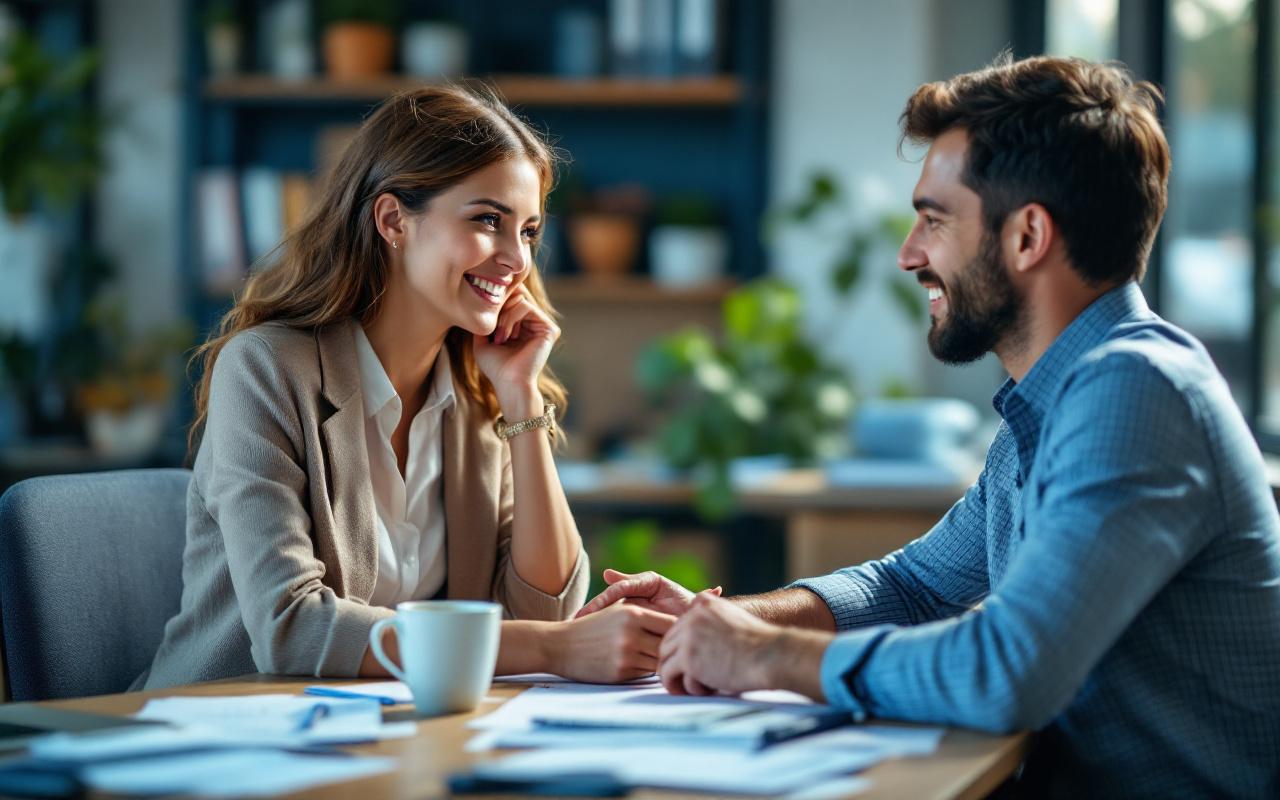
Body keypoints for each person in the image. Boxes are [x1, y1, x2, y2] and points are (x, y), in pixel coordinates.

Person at [578, 55, 1280, 797]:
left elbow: (1007, 670)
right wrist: (718, 621)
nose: (909, 254)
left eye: (934, 219)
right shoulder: (1052, 399)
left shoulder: (1135, 390)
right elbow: (911, 587)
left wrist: (765, 657)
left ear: (1027, 236)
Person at [135, 85, 673, 691]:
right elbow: (292, 629)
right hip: (225, 732)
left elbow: (541, 611)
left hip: (385, 736)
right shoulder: (265, 369)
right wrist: (556, 648)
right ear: (393, 220)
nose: (515, 258)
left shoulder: (476, 394)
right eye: (487, 221)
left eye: (527, 231)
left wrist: (522, 398)